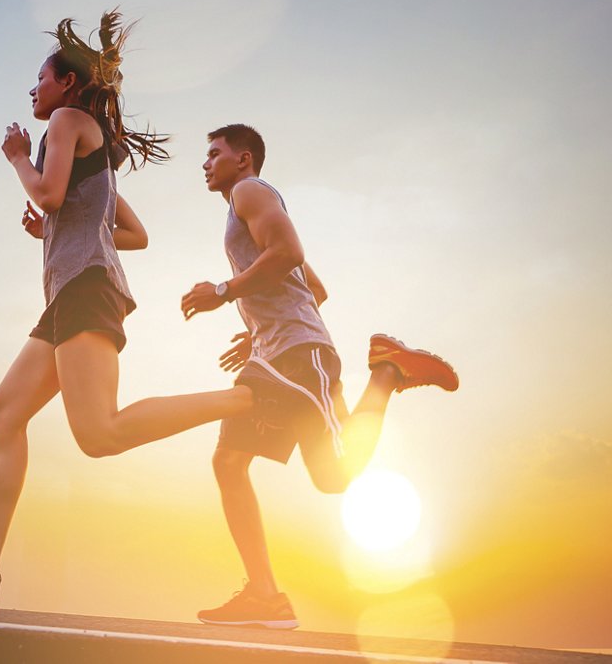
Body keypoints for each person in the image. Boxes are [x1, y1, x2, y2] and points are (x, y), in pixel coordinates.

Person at [0, 13, 258, 612]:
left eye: (40, 79)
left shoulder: (69, 123)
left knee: (99, 434)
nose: (32, 90)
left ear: (67, 86)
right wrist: (53, 224)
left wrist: (20, 158)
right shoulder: (85, 146)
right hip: (70, 293)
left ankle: (244, 399)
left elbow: (48, 192)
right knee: (4, 414)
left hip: (85, 290)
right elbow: (132, 233)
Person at [179, 124, 459, 629]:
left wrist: (223, 291)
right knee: (231, 462)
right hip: (281, 353)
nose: (205, 163)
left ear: (244, 159)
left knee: (338, 474)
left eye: (214, 153)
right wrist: (258, 328)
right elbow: (315, 288)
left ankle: (388, 371)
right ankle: (265, 597)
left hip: (299, 357)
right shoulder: (247, 207)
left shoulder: (250, 191)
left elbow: (289, 254)